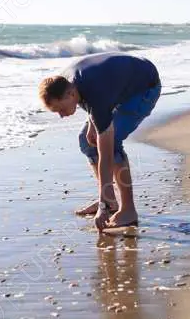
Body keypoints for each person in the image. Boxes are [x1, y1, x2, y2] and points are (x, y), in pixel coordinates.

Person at [38, 52, 161, 231]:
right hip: (117, 85)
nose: (62, 115)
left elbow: (106, 154)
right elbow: (91, 98)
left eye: (61, 109)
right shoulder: (66, 83)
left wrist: (101, 207)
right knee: (87, 141)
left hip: (144, 88)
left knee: (112, 145)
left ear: (71, 94)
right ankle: (110, 200)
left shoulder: (94, 92)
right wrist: (92, 123)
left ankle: (128, 210)